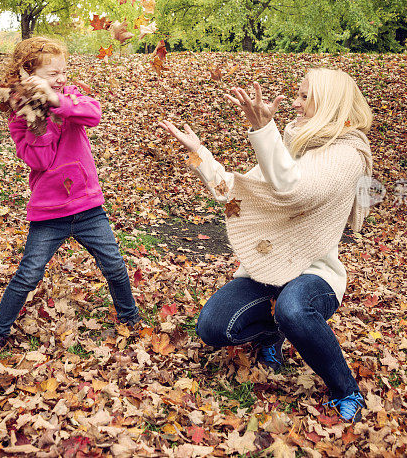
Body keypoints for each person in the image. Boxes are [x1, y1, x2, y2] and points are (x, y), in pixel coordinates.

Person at [159, 68, 373, 422]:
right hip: (267, 266)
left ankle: (345, 389)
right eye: (298, 94)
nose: (295, 102)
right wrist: (199, 154)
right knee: (212, 327)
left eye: (305, 96)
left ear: (330, 101)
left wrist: (263, 131)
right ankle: (272, 334)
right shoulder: (289, 145)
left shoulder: (347, 155)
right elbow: (235, 193)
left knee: (293, 308)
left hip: (314, 274)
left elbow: (295, 192)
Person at [0, 36, 140, 357]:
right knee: (28, 274)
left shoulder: (70, 97)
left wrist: (57, 100)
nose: (62, 79)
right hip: (49, 212)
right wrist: (41, 121)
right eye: (53, 74)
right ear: (29, 74)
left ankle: (130, 317)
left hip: (87, 206)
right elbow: (39, 161)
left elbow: (93, 115)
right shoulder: (19, 116)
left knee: (114, 264)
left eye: (63, 72)